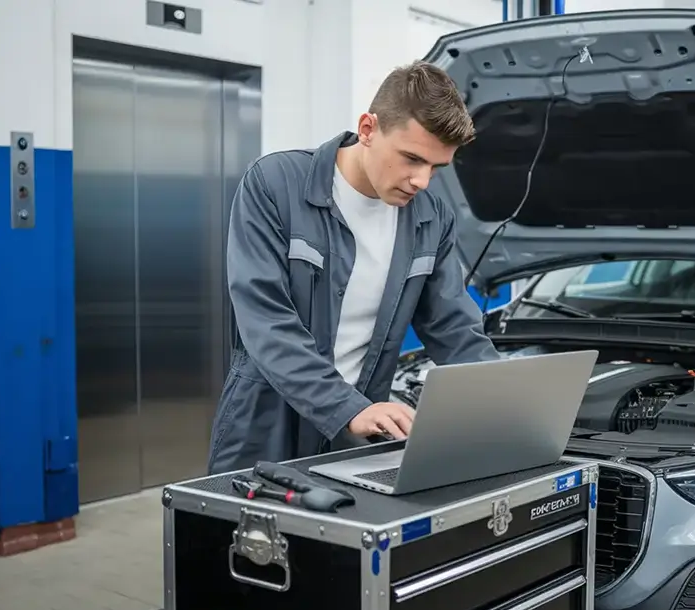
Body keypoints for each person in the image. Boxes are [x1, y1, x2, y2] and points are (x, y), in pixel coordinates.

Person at [206, 61, 499, 473]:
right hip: (265, 424)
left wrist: (504, 402)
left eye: (436, 167)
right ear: (367, 129)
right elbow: (266, 321)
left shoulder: (432, 218)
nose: (421, 181)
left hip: (359, 435)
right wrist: (344, 407)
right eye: (412, 158)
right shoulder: (274, 184)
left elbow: (453, 327)